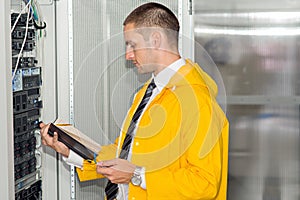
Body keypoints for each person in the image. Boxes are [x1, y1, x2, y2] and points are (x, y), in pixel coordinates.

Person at [40, 2, 229, 200]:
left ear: (156, 39)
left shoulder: (196, 100)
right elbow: (124, 156)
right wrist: (71, 150)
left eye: (133, 44)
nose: (128, 55)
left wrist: (138, 175)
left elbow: (205, 184)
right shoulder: (150, 92)